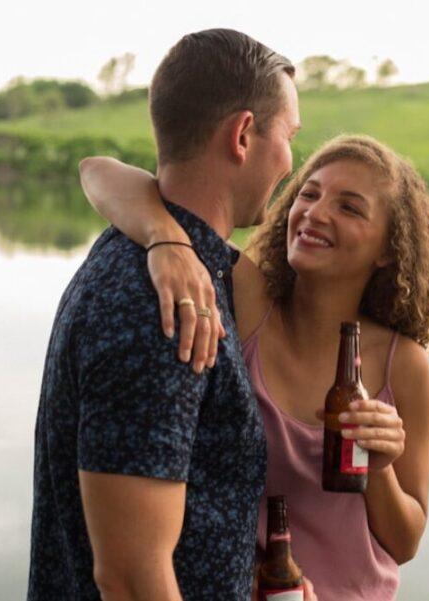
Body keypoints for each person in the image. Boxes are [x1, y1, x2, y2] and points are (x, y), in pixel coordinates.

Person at [79, 134, 429, 599]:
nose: (315, 213)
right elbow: (97, 171)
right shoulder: (249, 302)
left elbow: (406, 541)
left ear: (388, 250)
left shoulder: (406, 367)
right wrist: (166, 241)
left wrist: (378, 470)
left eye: (350, 208)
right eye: (308, 194)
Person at [27, 29, 318, 601]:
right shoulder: (161, 307)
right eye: (288, 135)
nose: (292, 160)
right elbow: (132, 579)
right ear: (242, 135)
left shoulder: (175, 264)